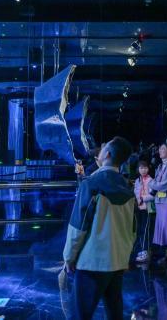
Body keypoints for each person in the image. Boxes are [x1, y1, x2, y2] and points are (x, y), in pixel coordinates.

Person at [63, 137, 136, 320]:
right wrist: (125, 257)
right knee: (114, 312)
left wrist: (69, 257)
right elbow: (133, 228)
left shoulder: (91, 183)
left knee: (80, 314)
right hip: (117, 261)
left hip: (92, 261)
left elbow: (78, 226)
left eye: (103, 148)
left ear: (107, 154)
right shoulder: (127, 187)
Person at [133, 160, 155, 263]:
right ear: (138, 169)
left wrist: (142, 198)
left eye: (145, 168)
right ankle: (141, 250)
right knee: (140, 230)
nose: (143, 170)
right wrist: (138, 200)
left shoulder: (151, 180)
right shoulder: (137, 180)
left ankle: (146, 251)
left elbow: (153, 195)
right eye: (141, 168)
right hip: (139, 208)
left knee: (146, 230)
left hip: (148, 208)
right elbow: (136, 193)